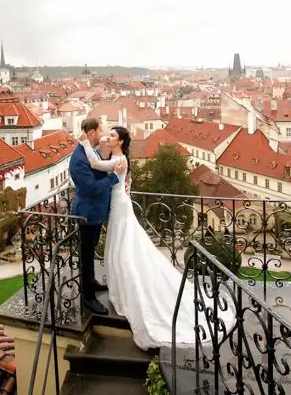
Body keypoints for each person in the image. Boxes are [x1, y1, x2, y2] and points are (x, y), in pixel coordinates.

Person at [78, 126, 230, 350]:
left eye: (112, 135)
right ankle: (122, 285)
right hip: (118, 203)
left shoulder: (118, 159)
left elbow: (95, 164)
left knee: (124, 246)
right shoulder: (119, 156)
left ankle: (132, 287)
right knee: (122, 244)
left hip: (119, 205)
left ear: (120, 141)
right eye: (107, 134)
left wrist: (83, 144)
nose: (107, 137)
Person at [69, 118, 126, 315]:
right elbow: (91, 188)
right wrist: (114, 178)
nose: (102, 133)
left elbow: (98, 168)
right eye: (100, 129)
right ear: (91, 132)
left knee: (91, 251)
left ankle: (91, 282)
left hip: (95, 212)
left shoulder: (88, 152)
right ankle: (88, 298)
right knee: (85, 255)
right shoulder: (78, 159)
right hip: (86, 214)